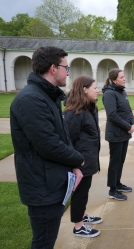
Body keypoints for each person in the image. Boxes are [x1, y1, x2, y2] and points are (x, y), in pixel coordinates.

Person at [10, 46, 85, 248]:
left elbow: (63, 135)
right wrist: (78, 158)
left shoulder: (47, 96)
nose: (68, 72)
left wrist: (74, 166)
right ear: (53, 68)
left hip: (51, 181)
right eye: (66, 68)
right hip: (41, 185)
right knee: (43, 242)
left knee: (48, 239)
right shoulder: (31, 99)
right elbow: (48, 144)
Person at [64, 76, 101, 238]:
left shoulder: (88, 108)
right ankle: (78, 226)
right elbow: (68, 140)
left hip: (88, 158)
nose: (97, 90)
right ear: (85, 89)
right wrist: (75, 163)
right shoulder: (75, 112)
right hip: (81, 161)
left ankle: (83, 214)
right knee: (79, 193)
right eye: (95, 87)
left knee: (84, 191)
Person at [102, 68, 134, 201]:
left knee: (120, 160)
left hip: (124, 133)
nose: (124, 79)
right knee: (115, 161)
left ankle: (118, 183)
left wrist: (133, 123)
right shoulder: (109, 94)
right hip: (116, 133)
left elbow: (128, 109)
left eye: (124, 76)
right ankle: (112, 190)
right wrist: (128, 126)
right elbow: (112, 115)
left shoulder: (122, 91)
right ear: (114, 79)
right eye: (121, 77)